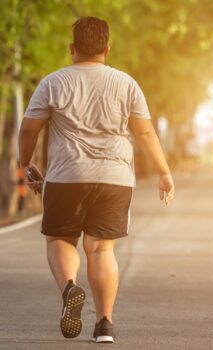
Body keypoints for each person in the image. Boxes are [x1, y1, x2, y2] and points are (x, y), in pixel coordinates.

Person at [18, 16, 174, 344]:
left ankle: (71, 288)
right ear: (107, 48)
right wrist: (164, 172)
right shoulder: (126, 83)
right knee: (101, 249)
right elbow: (144, 131)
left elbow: (30, 128)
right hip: (114, 177)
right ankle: (104, 324)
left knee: (59, 239)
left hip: (66, 176)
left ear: (72, 48)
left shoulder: (53, 82)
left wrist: (25, 163)